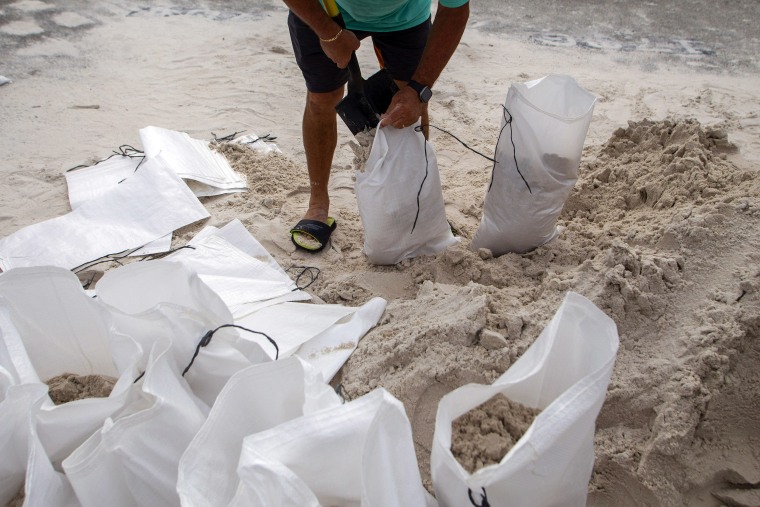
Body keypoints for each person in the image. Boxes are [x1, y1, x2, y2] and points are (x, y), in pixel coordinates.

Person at [284, 0, 470, 252]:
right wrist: (329, 34)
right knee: (322, 98)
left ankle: (416, 206)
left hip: (405, 17)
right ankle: (318, 203)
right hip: (326, 10)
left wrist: (419, 89)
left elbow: (455, 9)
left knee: (407, 107)